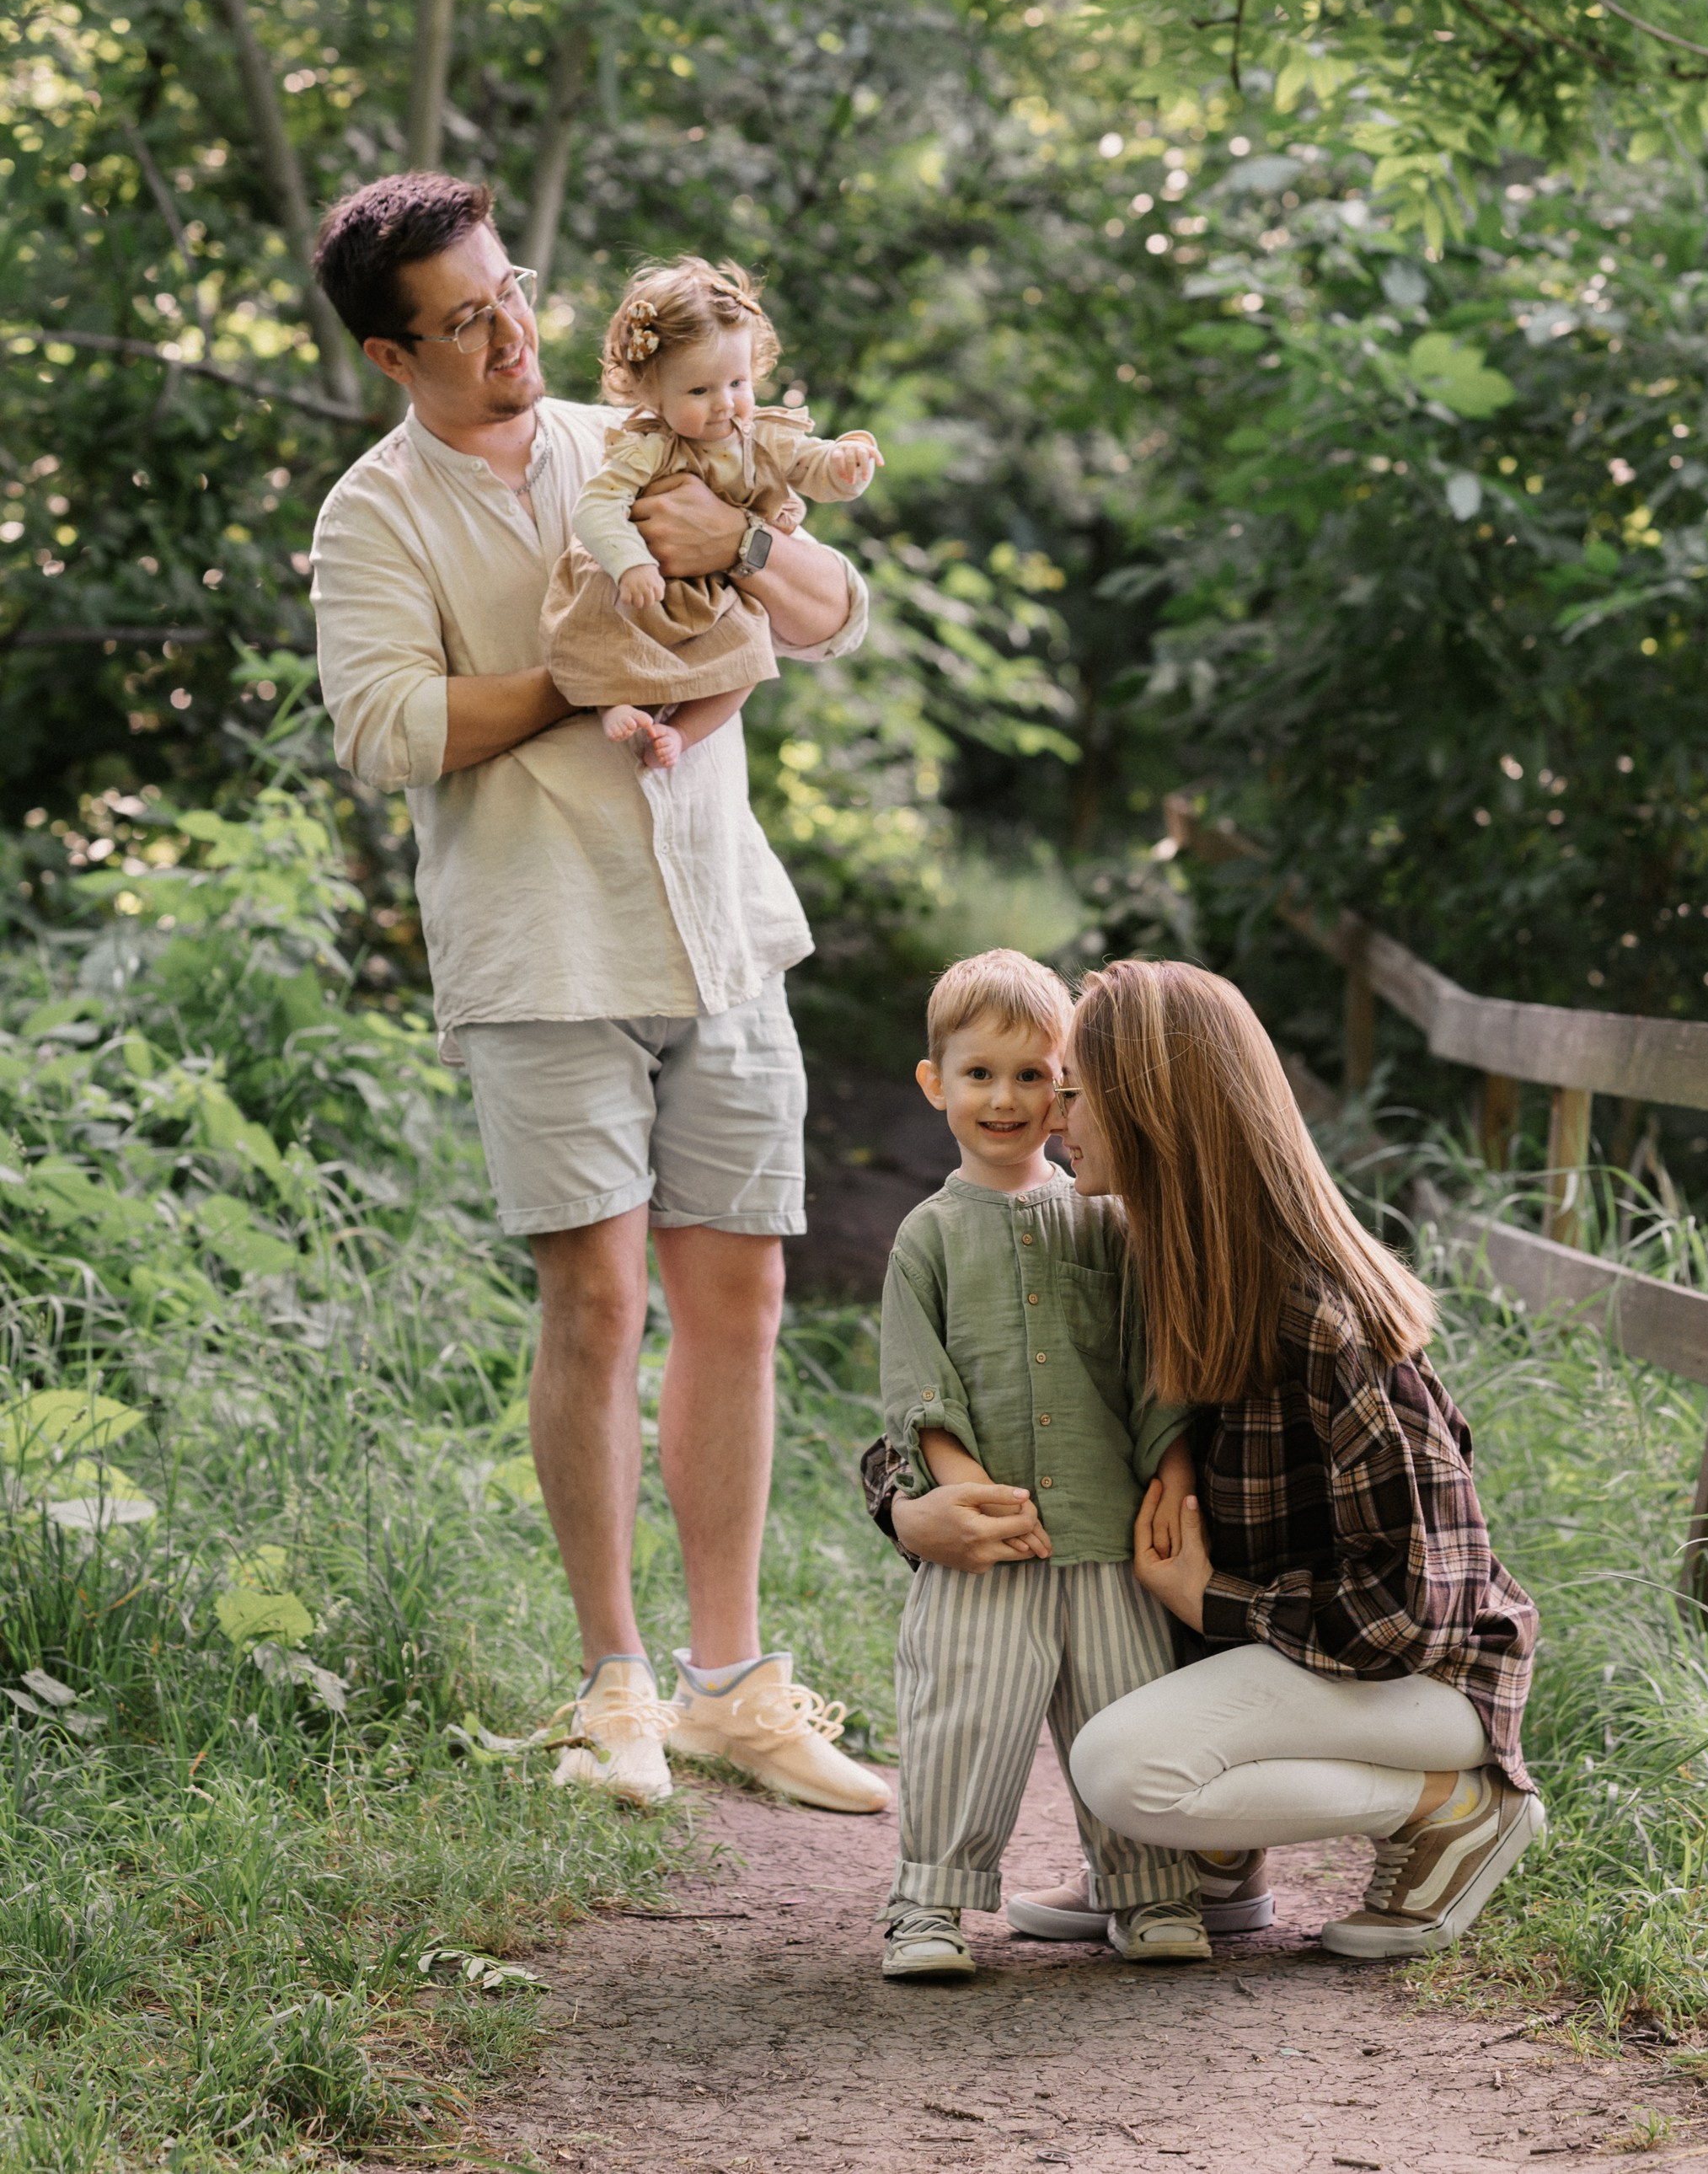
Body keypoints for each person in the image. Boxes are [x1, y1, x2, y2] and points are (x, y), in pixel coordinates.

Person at [308, 172, 887, 1818]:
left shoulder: (643, 428)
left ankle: (731, 1686)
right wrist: (587, 680)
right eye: (464, 319)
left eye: (510, 292)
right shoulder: (372, 515)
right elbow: (388, 728)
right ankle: (614, 1682)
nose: (510, 332)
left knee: (740, 1299)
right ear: (389, 353)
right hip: (540, 945)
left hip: (717, 927)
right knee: (598, 1304)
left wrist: (748, 543)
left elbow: (831, 616)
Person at [875, 961, 1542, 1960]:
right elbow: (983, 1407)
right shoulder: (1152, 1255)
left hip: (1426, 1683)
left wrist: (1211, 1599)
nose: (1053, 1115)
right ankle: (1212, 1860)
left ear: (1150, 1111)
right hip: (1302, 1659)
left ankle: (1449, 1805)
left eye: (1073, 1090)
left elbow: (1413, 1611)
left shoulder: (1319, 1318)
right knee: (1129, 1754)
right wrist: (904, 1508)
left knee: (1122, 1766)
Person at [874, 950, 1213, 1980]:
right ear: (935, 1083)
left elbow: (1153, 1363)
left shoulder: (1108, 1221)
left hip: (1110, 1535)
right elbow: (918, 1381)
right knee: (963, 1713)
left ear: (1067, 1090)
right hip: (985, 1542)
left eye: (1034, 1075)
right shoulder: (926, 1237)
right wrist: (955, 1488)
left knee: (1126, 1703)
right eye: (979, 1073)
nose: (1006, 1098)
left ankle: (1150, 1890)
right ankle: (929, 1903)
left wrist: (1173, 1471)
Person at [539, 253, 881, 770]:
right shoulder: (647, 448)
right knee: (602, 624)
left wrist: (846, 464)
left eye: (737, 383)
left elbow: (814, 466)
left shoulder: (760, 437)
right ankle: (613, 702)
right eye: (700, 390)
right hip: (646, 581)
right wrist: (630, 562)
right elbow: (595, 506)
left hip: (715, 593)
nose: (725, 403)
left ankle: (681, 734)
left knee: (749, 652)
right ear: (650, 391)